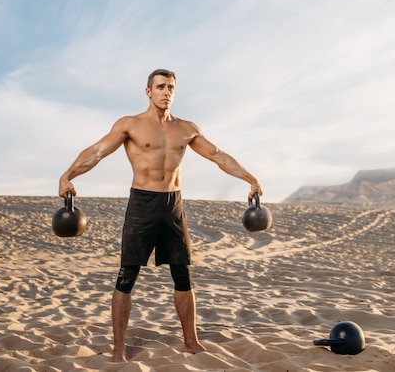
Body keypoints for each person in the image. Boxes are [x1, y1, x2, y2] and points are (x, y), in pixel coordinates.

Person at [58, 69, 263, 362]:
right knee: (127, 276)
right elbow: (96, 152)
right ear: (148, 91)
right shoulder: (130, 125)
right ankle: (119, 349)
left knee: (183, 275)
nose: (166, 92)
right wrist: (68, 175)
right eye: (160, 86)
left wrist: (249, 178)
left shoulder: (186, 128)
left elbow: (218, 155)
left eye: (171, 87)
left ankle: (191, 342)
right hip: (142, 204)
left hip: (173, 205)